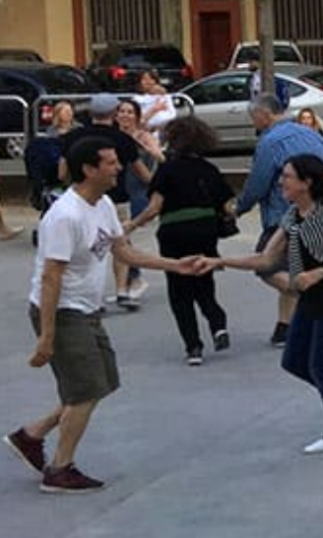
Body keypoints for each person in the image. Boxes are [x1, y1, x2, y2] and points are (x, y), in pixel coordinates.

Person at [5, 137, 199, 493]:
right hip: (64, 313)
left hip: (87, 311)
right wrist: (46, 337)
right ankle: (59, 470)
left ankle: (30, 435)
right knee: (85, 390)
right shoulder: (64, 216)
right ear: (89, 170)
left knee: (100, 381)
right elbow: (51, 279)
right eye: (110, 163)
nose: (119, 167)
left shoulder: (104, 203)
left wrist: (175, 265)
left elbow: (123, 251)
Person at [204, 154, 323, 454]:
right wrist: (218, 261)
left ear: (306, 182)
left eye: (287, 176)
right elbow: (266, 259)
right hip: (310, 297)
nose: (281, 181)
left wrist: (321, 272)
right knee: (294, 360)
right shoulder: (292, 215)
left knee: (320, 364)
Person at [123, 117, 233, 366]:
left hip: (174, 231)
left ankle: (193, 346)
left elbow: (154, 208)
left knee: (179, 288)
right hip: (205, 230)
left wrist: (131, 224)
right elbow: (227, 206)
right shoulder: (209, 169)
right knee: (203, 279)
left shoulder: (167, 170)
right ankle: (217, 323)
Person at [236, 94, 323, 347]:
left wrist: (239, 207)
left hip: (287, 211)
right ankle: (285, 327)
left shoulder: (269, 141)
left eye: (254, 118)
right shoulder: (312, 134)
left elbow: (259, 183)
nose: (255, 124)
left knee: (266, 264)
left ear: (264, 115)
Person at [60, 93, 154, 310]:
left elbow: (62, 171)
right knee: (119, 243)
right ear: (114, 114)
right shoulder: (122, 139)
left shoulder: (73, 137)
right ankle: (122, 290)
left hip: (81, 196)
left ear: (91, 113)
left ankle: (90, 295)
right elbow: (143, 174)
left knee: (85, 246)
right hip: (116, 197)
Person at [114, 97, 165, 301]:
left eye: (129, 112)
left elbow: (160, 158)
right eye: (122, 111)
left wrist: (149, 148)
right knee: (119, 237)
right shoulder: (113, 136)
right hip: (118, 188)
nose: (125, 115)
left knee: (121, 236)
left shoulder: (143, 136)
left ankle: (133, 278)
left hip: (139, 190)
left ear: (136, 116)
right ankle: (125, 284)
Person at [135, 69, 177, 135]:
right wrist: (155, 109)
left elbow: (172, 115)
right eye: (144, 79)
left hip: (165, 131)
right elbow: (138, 121)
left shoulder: (165, 96)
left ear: (156, 82)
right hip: (146, 133)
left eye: (151, 79)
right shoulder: (137, 99)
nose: (148, 81)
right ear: (140, 82)